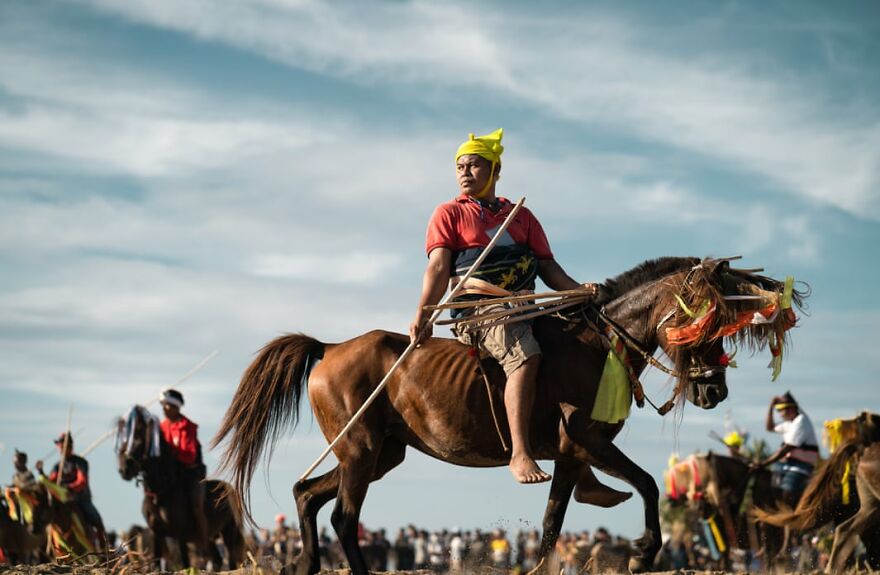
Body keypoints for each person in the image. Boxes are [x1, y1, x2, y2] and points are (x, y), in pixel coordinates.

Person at [409, 128, 597, 484]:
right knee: (524, 354)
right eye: (460, 166)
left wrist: (578, 290)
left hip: (526, 306)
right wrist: (424, 312)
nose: (465, 172)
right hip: (480, 312)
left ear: (495, 171)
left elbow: (547, 267)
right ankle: (520, 453)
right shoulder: (448, 213)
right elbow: (437, 267)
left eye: (474, 165)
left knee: (572, 348)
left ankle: (581, 470)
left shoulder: (521, 216)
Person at [158, 388, 209, 552]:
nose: (165, 409)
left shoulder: (188, 427)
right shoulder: (161, 426)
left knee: (196, 505)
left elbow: (189, 455)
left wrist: (171, 453)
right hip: (171, 473)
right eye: (163, 405)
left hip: (192, 472)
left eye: (168, 405)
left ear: (176, 407)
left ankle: (203, 539)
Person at [35, 433, 107, 545]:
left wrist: (68, 488)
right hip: (63, 501)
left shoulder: (80, 462)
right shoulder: (57, 466)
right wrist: (41, 472)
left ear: (70, 446)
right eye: (60, 446)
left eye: (63, 446)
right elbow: (50, 483)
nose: (61, 449)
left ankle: (104, 549)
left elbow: (82, 481)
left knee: (97, 522)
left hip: (81, 500)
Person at [759, 391, 819, 506]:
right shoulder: (789, 423)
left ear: (792, 408)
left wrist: (765, 462)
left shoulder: (801, 421)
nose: (780, 414)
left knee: (786, 493)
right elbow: (769, 427)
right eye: (778, 410)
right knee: (766, 488)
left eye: (782, 410)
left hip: (801, 466)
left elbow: (787, 448)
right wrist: (771, 405)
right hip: (785, 465)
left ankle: (792, 518)